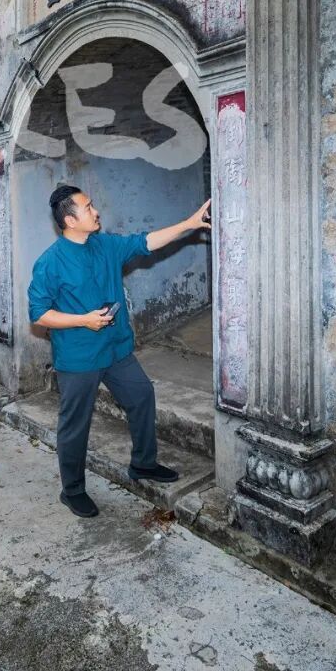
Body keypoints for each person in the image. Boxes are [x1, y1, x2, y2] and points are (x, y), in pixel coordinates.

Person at [27, 184, 212, 518]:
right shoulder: (50, 262)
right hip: (79, 358)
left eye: (92, 204)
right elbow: (39, 315)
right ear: (70, 220)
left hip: (115, 349)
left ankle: (143, 463)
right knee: (75, 424)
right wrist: (83, 320)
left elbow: (146, 242)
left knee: (141, 395)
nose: (96, 211)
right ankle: (72, 490)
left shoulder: (105, 245)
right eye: (88, 207)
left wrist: (189, 224)